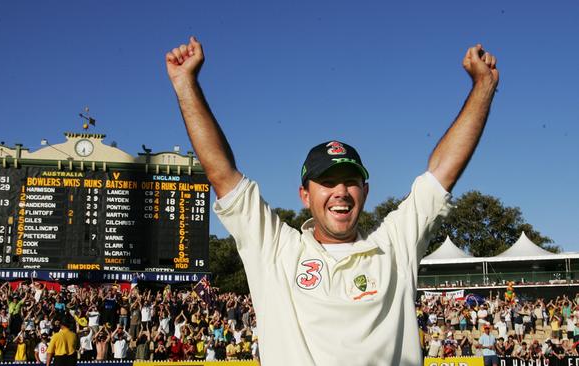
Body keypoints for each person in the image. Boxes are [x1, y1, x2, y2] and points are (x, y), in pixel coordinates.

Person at [165, 36, 499, 365]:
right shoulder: (276, 250)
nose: (340, 192)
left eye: (350, 182)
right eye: (326, 182)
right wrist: (185, 84)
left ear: (364, 193)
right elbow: (222, 174)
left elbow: (442, 173)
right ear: (305, 196)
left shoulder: (394, 246)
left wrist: (482, 87)